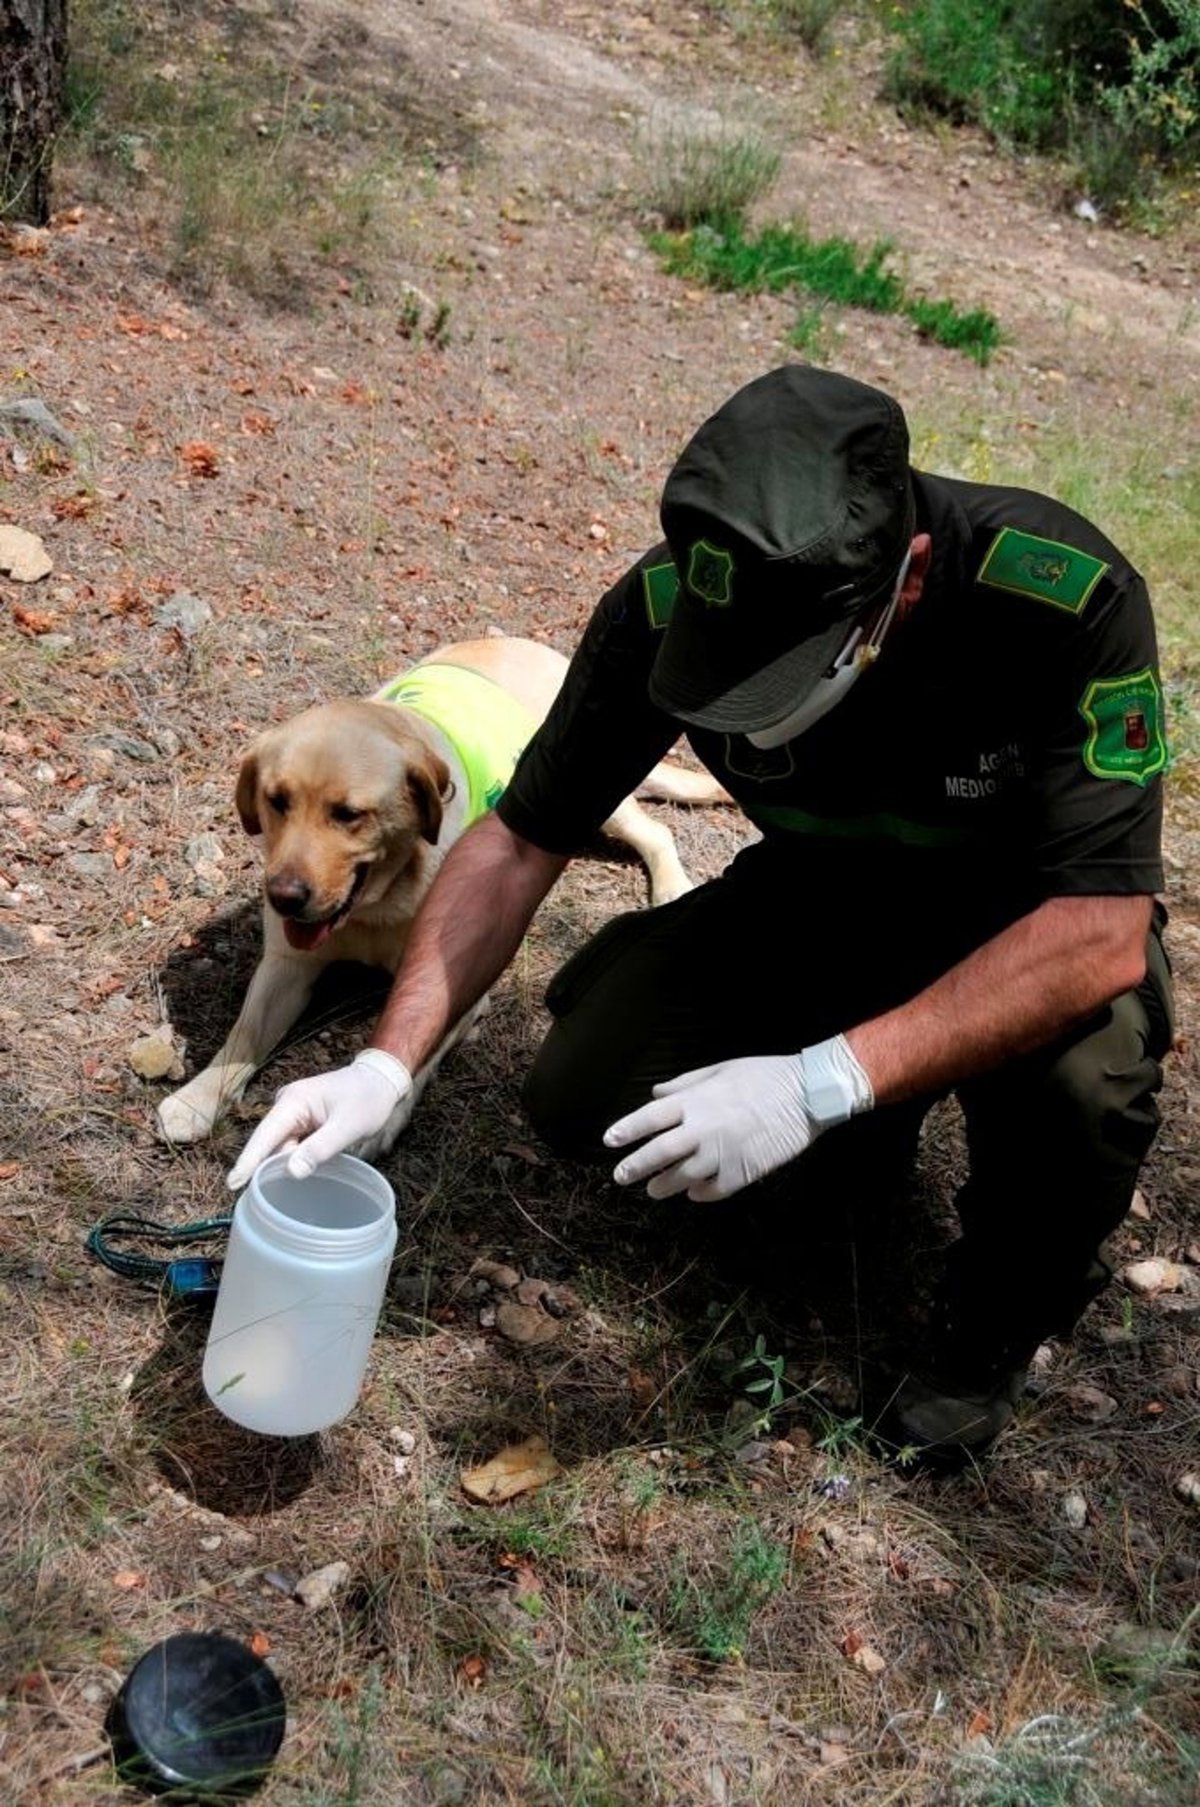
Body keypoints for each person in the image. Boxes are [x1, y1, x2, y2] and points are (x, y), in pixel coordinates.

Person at [227, 364, 1173, 1461]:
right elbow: (522, 836)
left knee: (1086, 1085)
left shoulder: (1060, 602)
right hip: (822, 897)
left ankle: (986, 1330)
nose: (746, 711)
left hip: (1019, 919)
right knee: (584, 1091)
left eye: (775, 676)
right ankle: (855, 1144)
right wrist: (386, 1066)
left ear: (905, 583)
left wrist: (819, 1082)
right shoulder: (668, 601)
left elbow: (1099, 928)